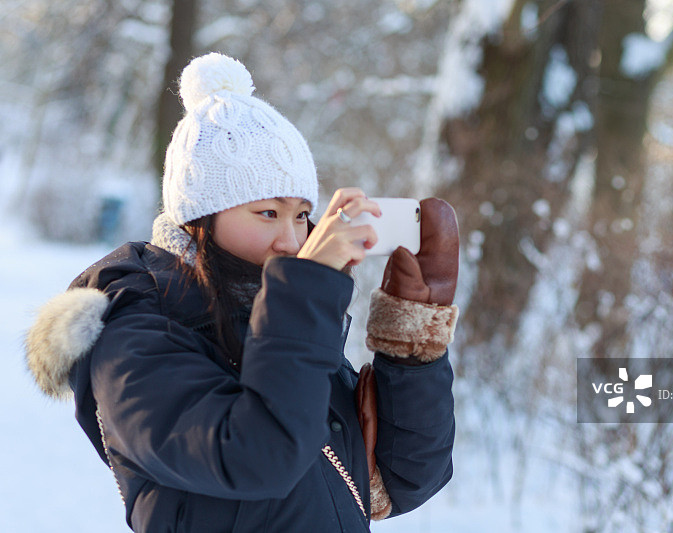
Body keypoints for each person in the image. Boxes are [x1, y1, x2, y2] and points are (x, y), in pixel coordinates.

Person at [25, 52, 459, 532]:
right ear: (199, 218)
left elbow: (402, 480)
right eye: (267, 213)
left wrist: (410, 344)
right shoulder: (133, 331)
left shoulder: (275, 319)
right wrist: (307, 291)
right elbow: (257, 456)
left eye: (300, 214)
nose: (291, 240)